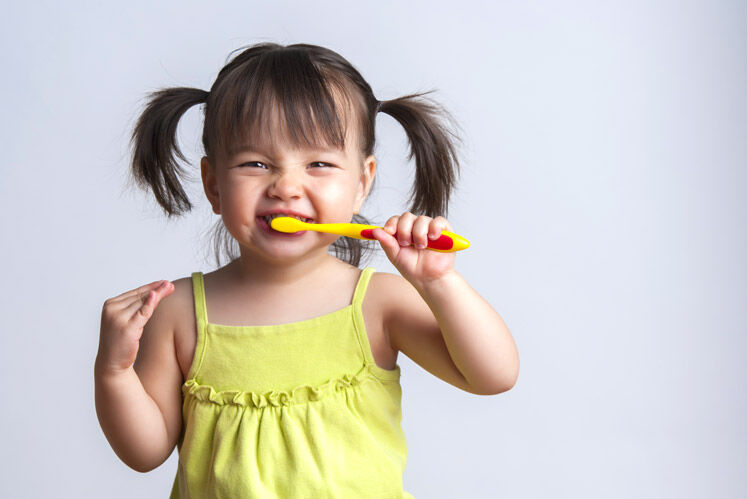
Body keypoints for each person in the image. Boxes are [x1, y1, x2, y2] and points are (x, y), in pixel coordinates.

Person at [94, 42, 520, 498]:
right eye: (255, 163)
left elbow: (492, 376)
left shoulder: (377, 303)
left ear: (360, 184)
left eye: (319, 163)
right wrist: (114, 372)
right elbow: (145, 453)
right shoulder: (177, 311)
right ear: (214, 184)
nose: (286, 186)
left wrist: (439, 283)